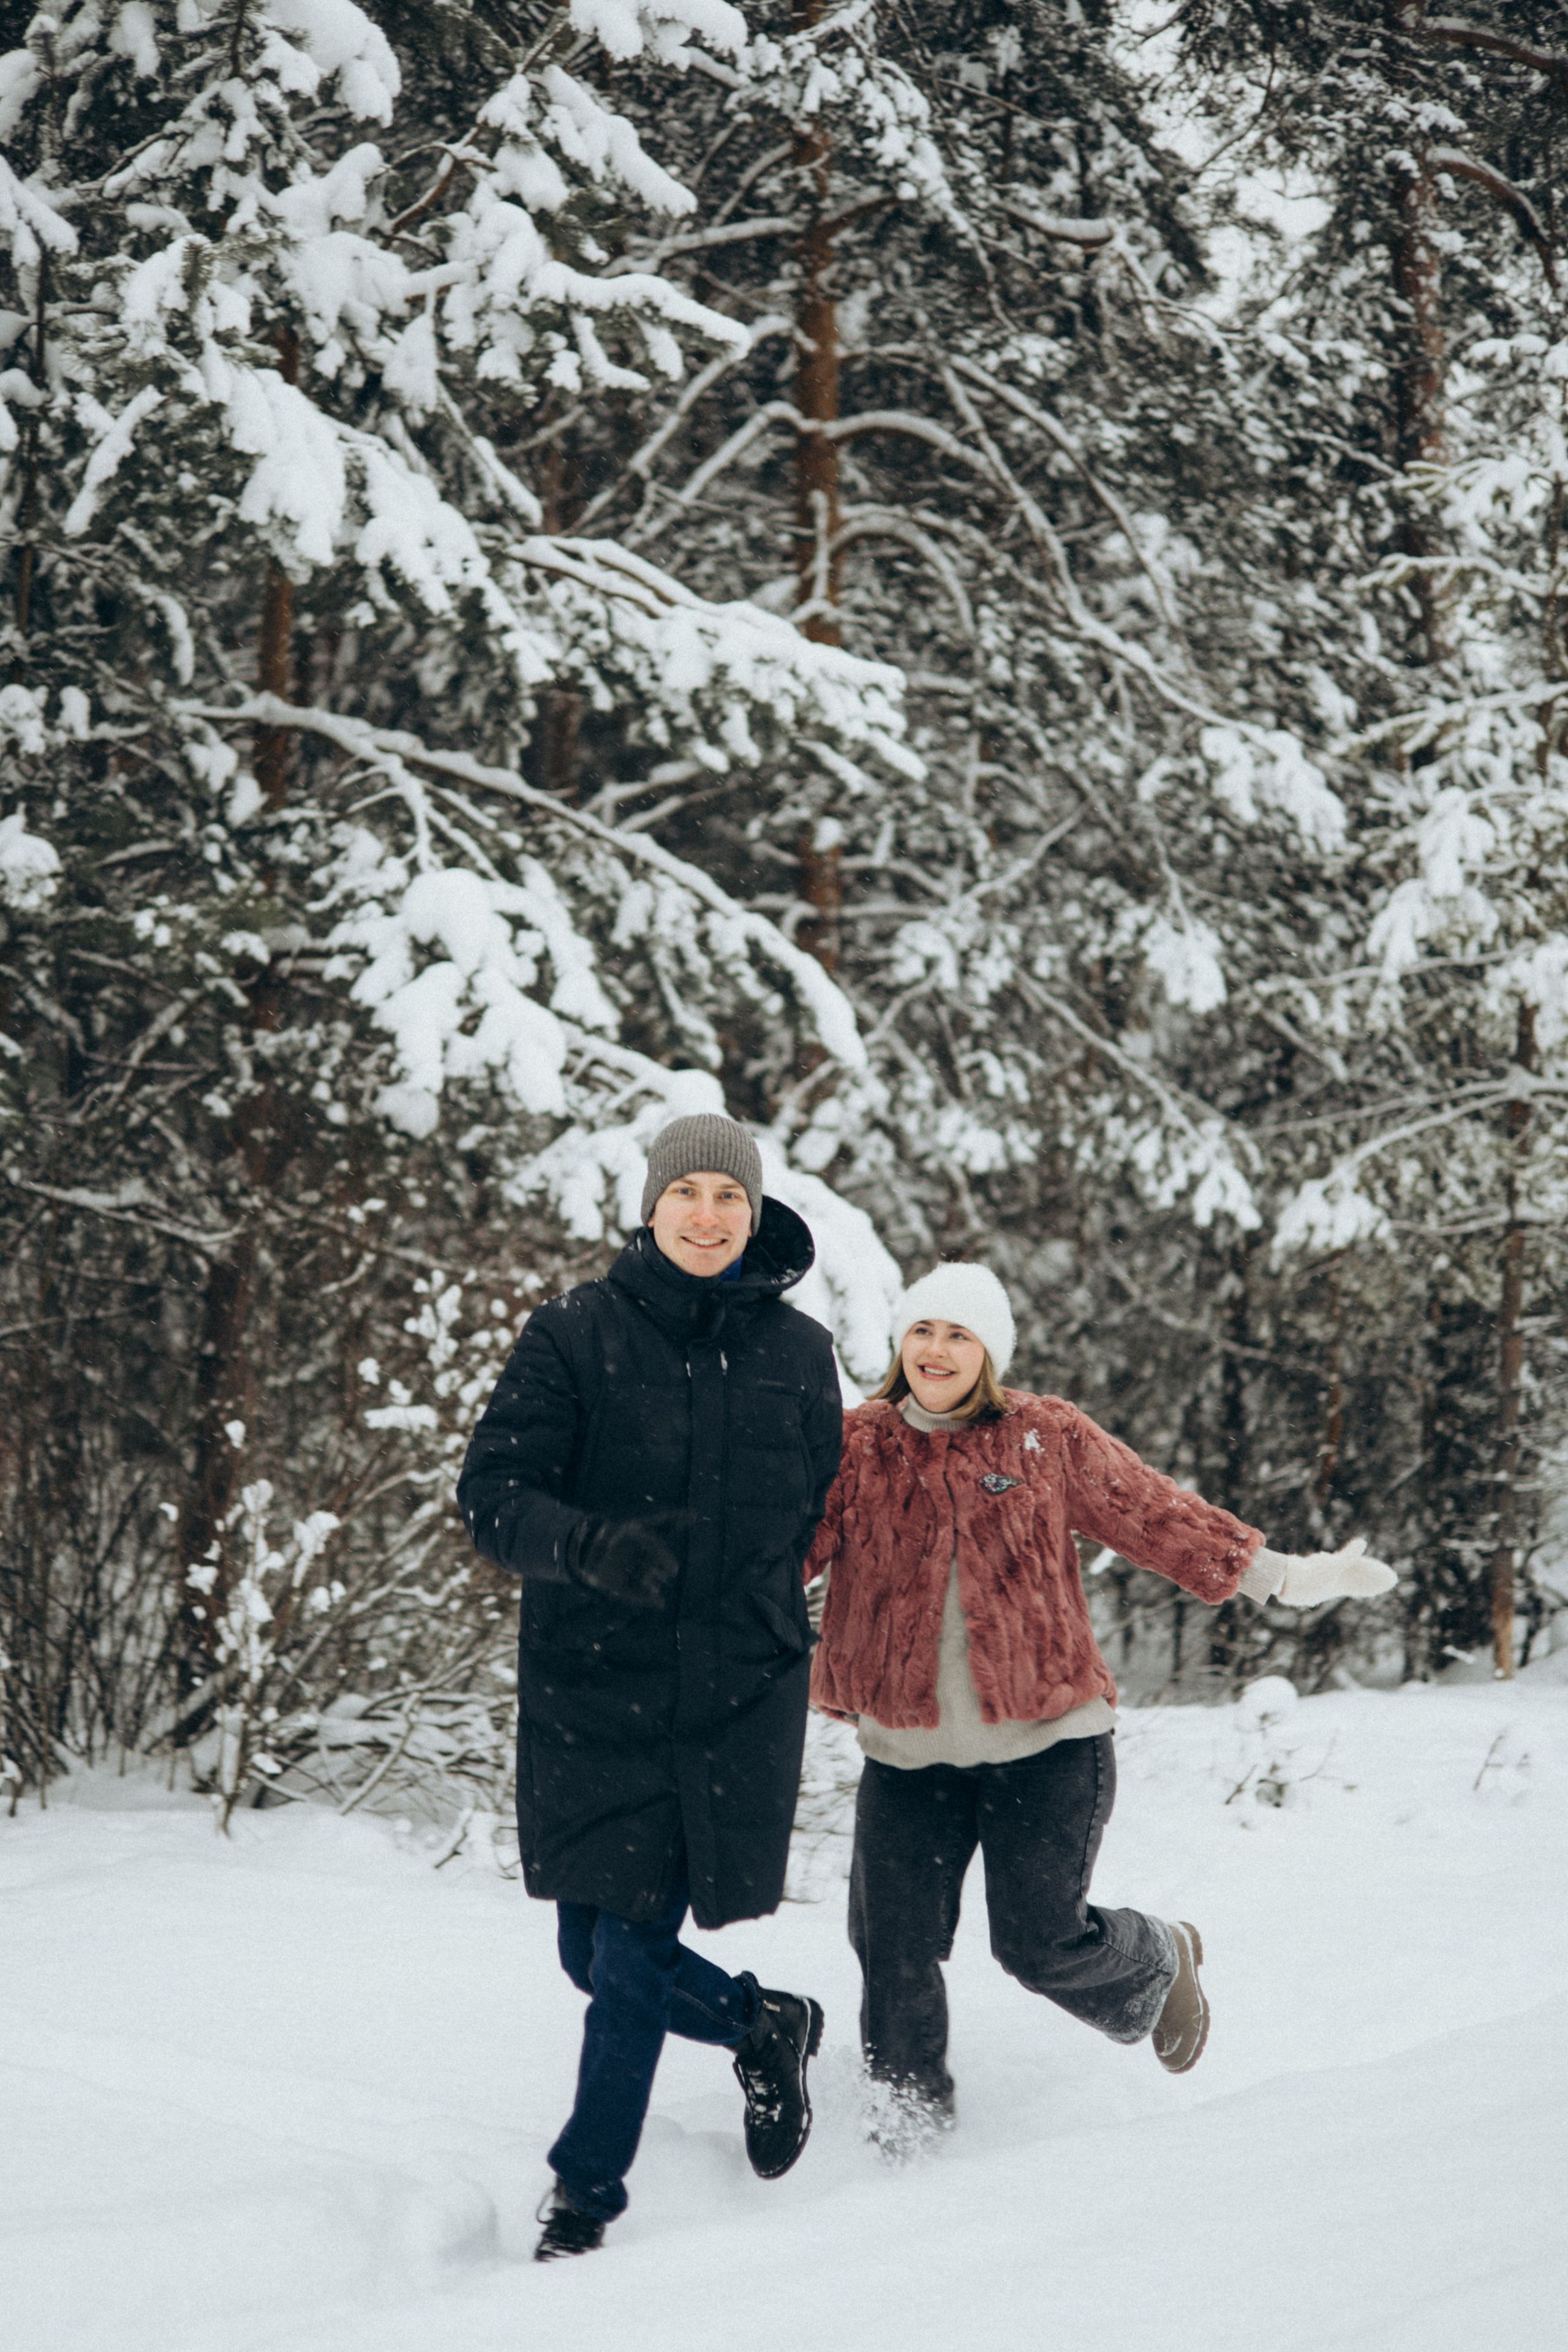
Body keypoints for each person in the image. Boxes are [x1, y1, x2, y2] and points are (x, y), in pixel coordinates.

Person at [805, 1260, 1396, 2142]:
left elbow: (1152, 1513)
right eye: (924, 1330)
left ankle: (1157, 1958)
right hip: (907, 1760)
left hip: (1048, 1745)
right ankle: (906, 2135)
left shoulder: (1042, 1438)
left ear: (990, 1353)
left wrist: (1287, 1577)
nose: (937, 1350)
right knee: (892, 1955)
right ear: (901, 1341)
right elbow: (777, 1555)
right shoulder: (855, 1448)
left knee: (1039, 1945)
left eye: (959, 1335)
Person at [458, 1113, 843, 2259]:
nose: (711, 1216)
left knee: (627, 1950)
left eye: (732, 1197)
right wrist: (587, 1548)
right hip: (597, 1687)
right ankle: (763, 2022)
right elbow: (491, 1493)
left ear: (754, 1210)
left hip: (735, 1691)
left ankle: (586, 2197)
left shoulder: (797, 1350)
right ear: (653, 1205)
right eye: (691, 1195)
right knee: (590, 1953)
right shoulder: (575, 1334)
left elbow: (820, 1511)